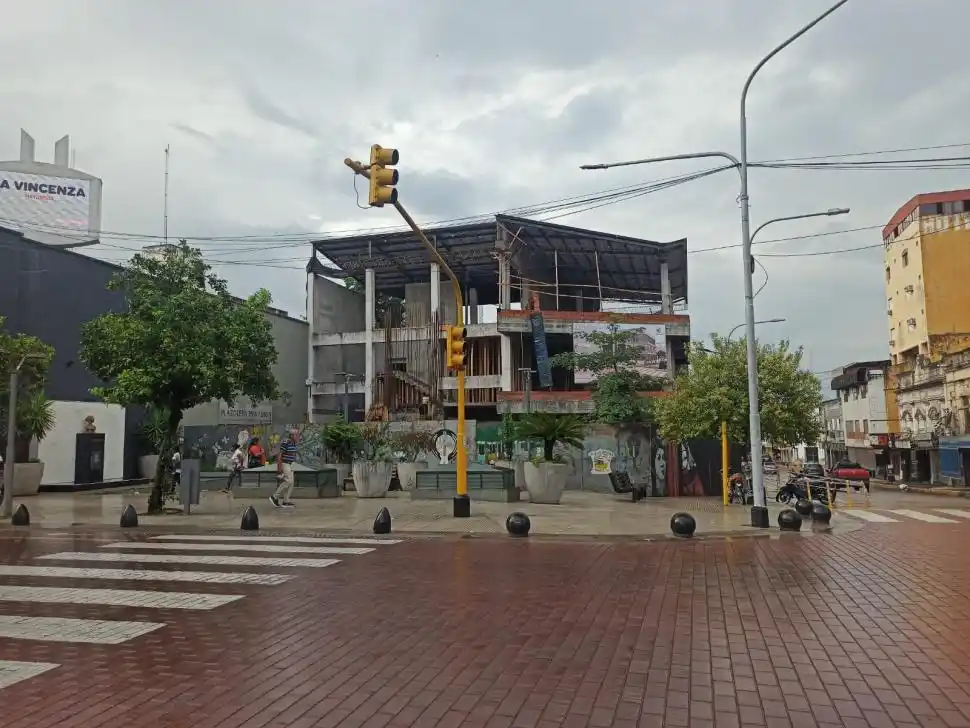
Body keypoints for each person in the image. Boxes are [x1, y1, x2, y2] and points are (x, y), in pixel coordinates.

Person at [270, 429, 299, 508]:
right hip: (285, 463)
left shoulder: (294, 443)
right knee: (288, 481)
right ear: (291, 435)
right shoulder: (286, 442)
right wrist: (279, 469)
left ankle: (286, 500)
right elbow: (280, 455)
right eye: (296, 435)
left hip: (290, 464)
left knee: (291, 483)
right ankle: (274, 496)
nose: (298, 436)